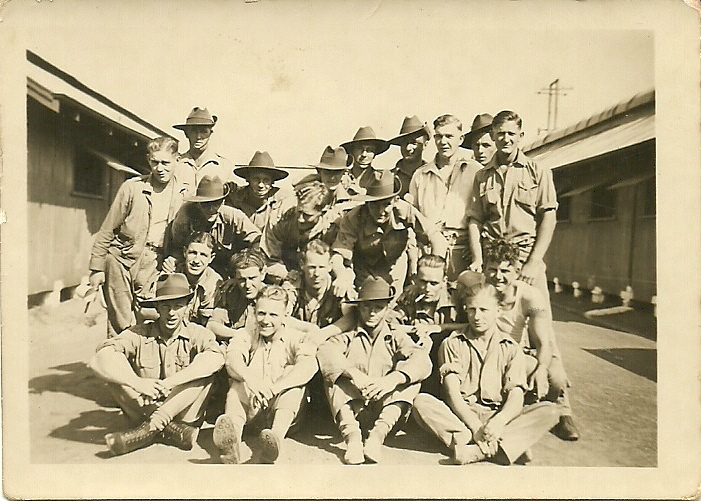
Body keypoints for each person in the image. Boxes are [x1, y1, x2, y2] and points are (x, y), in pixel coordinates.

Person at [412, 278, 560, 465]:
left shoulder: (511, 348)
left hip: (496, 415)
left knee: (550, 411)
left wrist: (498, 422)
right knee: (421, 402)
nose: (477, 316)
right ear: (465, 309)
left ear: (498, 311)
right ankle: (505, 445)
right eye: (472, 309)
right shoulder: (452, 343)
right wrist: (476, 428)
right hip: (462, 416)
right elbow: (452, 394)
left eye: (484, 310)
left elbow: (515, 395)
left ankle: (475, 451)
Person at [89, 273, 225, 456]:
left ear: (187, 306)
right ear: (157, 308)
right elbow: (98, 360)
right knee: (113, 372)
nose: (171, 313)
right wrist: (137, 383)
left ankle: (149, 429)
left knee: (204, 372)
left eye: (178, 306)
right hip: (143, 408)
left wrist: (170, 383)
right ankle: (168, 430)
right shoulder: (139, 333)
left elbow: (216, 358)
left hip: (184, 413)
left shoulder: (197, 333)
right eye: (165, 306)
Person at [316, 276, 432, 464]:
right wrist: (354, 374)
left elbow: (422, 360)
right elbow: (325, 350)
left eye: (378, 308)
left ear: (387, 309)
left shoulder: (395, 336)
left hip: (386, 410)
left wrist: (393, 379)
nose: (372, 313)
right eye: (366, 307)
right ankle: (353, 440)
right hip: (355, 407)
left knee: (410, 379)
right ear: (358, 307)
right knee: (334, 376)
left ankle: (376, 438)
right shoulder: (348, 335)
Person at [89, 136, 190, 337]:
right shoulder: (132, 188)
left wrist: (175, 257)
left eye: (165, 163)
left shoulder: (184, 194)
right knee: (120, 322)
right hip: (122, 260)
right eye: (154, 162)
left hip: (156, 263)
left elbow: (186, 237)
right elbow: (108, 228)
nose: (160, 168)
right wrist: (96, 268)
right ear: (148, 160)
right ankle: (119, 355)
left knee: (150, 315)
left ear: (177, 160)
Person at [482, 238, 579, 440]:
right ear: (484, 268)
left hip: (513, 355)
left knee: (555, 378)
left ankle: (549, 411)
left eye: (505, 271)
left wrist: (541, 369)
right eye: (492, 269)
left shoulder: (530, 297)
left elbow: (543, 343)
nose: (498, 276)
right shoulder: (475, 286)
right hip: (482, 353)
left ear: (517, 271)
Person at [212, 285, 319, 464]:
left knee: (293, 379)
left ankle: (275, 439)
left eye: (273, 315)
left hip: (284, 414)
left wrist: (274, 388)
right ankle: (232, 442)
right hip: (252, 411)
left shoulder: (297, 337)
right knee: (239, 381)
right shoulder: (247, 333)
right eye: (261, 313)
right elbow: (232, 359)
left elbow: (308, 367)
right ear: (254, 312)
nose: (265, 320)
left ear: (285, 315)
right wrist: (251, 380)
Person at [467, 110, 558, 309]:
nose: (505, 139)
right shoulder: (482, 176)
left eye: (511, 134)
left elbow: (549, 218)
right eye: (500, 134)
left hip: (525, 257)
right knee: (492, 315)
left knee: (537, 313)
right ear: (493, 136)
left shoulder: (538, 171)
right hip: (493, 262)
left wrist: (534, 262)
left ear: (520, 136)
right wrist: (478, 258)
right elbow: (475, 219)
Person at [331, 172, 449, 297]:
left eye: (386, 204)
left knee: (394, 305)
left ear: (395, 201)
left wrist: (430, 275)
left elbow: (438, 240)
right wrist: (341, 275)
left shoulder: (404, 211)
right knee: (368, 303)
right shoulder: (354, 218)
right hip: (364, 270)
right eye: (375, 205)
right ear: (367, 202)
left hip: (395, 269)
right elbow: (339, 253)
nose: (381, 211)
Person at [408, 114, 482, 281]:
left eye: (449, 136)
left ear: (461, 139)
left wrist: (475, 247)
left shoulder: (476, 171)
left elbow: (485, 214)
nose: (443, 142)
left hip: (463, 251)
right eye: (439, 136)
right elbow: (412, 217)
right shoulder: (421, 175)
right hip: (429, 253)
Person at [164, 175, 261, 278]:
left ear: (223, 202)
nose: (211, 209)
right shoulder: (186, 213)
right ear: (198, 203)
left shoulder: (233, 216)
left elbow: (258, 240)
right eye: (205, 204)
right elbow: (176, 246)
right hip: (196, 263)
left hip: (227, 267)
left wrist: (243, 266)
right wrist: (173, 261)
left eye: (216, 203)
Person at [395, 254, 460, 397]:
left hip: (450, 362)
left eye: (433, 283)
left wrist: (440, 328)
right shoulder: (409, 297)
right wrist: (414, 329)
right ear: (415, 279)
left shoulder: (457, 297)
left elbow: (474, 325)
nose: (427, 288)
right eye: (423, 282)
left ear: (444, 281)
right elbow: (389, 325)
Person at [263, 181, 357, 272]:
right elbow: (270, 259)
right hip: (286, 272)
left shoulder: (333, 227)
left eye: (307, 215)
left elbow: (341, 264)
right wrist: (286, 275)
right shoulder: (282, 220)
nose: (300, 219)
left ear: (323, 212)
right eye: (299, 212)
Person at [226, 151, 295, 231]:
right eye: (256, 179)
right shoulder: (235, 196)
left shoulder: (282, 200)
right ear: (248, 179)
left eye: (266, 180)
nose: (260, 185)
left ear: (272, 182)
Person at [207, 248, 269, 340]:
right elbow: (212, 325)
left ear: (263, 274)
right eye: (242, 280)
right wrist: (238, 334)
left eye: (252, 278)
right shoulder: (231, 292)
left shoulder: (272, 298)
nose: (247, 285)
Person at [173, 107, 237, 186]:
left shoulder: (225, 166)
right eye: (193, 131)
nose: (198, 136)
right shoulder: (176, 164)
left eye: (203, 131)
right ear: (186, 133)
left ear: (210, 133)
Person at [291, 239, 345, 328]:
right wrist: (310, 329)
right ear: (302, 265)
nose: (316, 273)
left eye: (321, 267)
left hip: (330, 336)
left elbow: (350, 318)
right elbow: (281, 316)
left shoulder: (339, 286)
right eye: (312, 267)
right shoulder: (293, 286)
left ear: (330, 266)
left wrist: (322, 333)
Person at [175, 232, 223, 326]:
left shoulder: (214, 284)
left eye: (203, 255)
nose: (196, 260)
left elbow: (206, 325)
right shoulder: (173, 272)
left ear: (211, 258)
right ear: (184, 252)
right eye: (192, 253)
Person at [295, 145, 363, 201]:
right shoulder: (307, 194)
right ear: (319, 171)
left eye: (337, 172)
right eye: (327, 172)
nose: (332, 177)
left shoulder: (350, 195)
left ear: (343, 173)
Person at [387, 116, 430, 199]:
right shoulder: (389, 178)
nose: (408, 148)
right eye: (404, 143)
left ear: (425, 145)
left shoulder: (432, 175)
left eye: (414, 143)